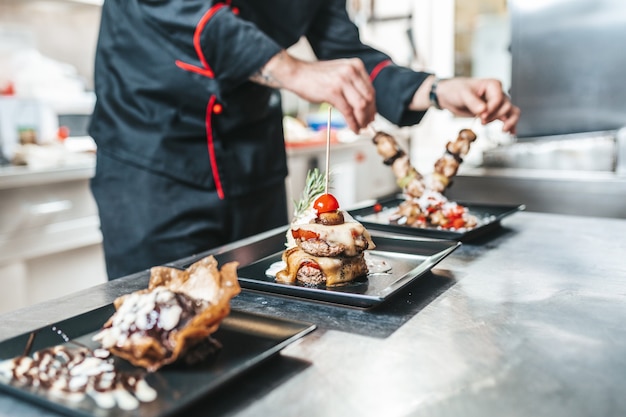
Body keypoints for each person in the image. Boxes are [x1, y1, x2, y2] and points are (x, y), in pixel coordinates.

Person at [89, 0, 520, 280]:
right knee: (158, 324)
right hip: (152, 161)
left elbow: (344, 52)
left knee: (270, 312)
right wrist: (295, 72)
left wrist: (436, 89)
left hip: (252, 162)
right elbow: (184, 11)